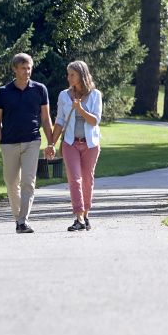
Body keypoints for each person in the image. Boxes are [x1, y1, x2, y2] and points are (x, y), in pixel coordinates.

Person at [0, 52, 55, 233]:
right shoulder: (3, 92)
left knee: (28, 181)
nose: (27, 71)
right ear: (15, 69)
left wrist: (50, 143)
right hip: (9, 143)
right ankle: (19, 218)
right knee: (11, 183)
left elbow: (46, 118)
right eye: (23, 68)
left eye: (29, 68)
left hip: (32, 141)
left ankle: (22, 221)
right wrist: (2, 142)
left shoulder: (40, 89)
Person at [50, 60, 102, 232]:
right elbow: (59, 121)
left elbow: (95, 121)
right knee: (75, 179)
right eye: (68, 74)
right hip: (70, 143)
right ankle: (79, 216)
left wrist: (80, 109)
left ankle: (86, 215)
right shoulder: (64, 95)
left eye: (72, 74)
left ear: (81, 75)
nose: (69, 77)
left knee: (87, 180)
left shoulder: (95, 95)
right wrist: (51, 143)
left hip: (90, 145)